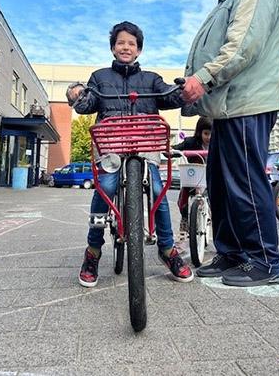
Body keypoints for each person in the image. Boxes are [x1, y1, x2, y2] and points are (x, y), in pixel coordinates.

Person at [180, 0, 279, 287]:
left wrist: (203, 80)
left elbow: (243, 46)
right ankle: (232, 254)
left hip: (246, 102)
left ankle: (266, 261)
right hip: (227, 107)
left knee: (244, 180)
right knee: (221, 185)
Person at [67, 21, 195, 287]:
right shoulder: (100, 77)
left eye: (132, 44)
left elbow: (168, 97)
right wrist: (77, 94)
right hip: (112, 145)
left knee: (159, 189)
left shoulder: (151, 79)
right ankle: (93, 251)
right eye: (121, 42)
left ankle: (167, 249)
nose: (126, 47)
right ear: (113, 48)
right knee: (106, 185)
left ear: (139, 51)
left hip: (145, 145)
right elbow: (88, 103)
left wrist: (183, 92)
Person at [172, 116, 212, 237]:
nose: (209, 137)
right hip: (195, 175)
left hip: (211, 175)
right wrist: (170, 151)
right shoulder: (191, 142)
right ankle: (184, 218)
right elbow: (178, 149)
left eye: (211, 134)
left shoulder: (219, 143)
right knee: (185, 193)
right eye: (206, 133)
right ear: (200, 132)